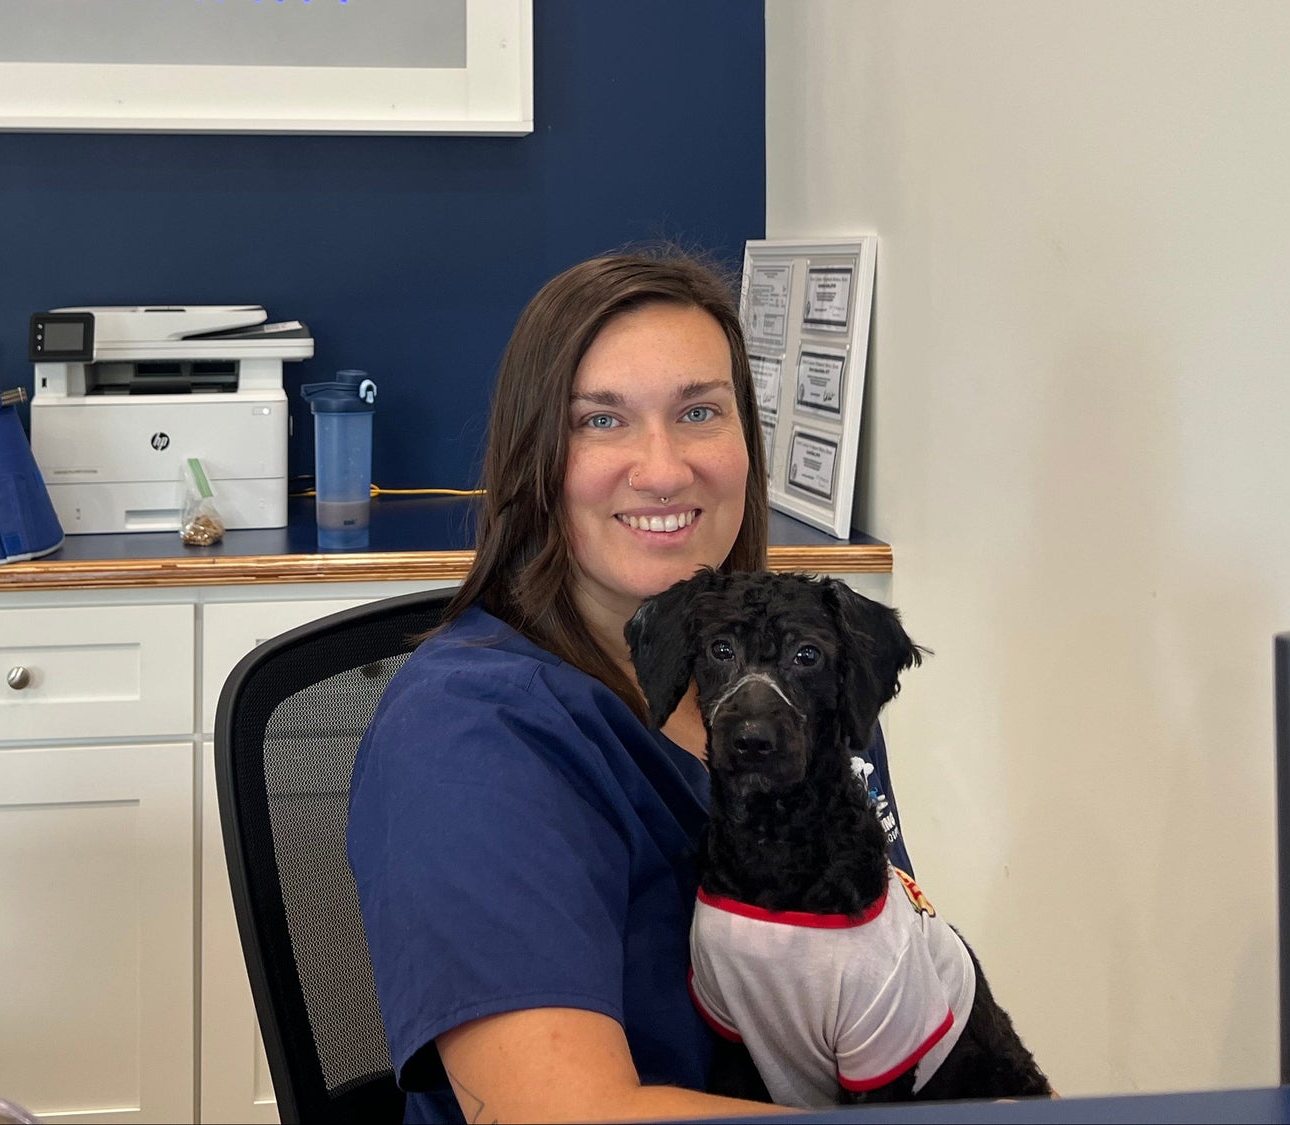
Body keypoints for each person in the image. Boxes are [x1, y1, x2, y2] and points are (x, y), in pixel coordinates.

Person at [347, 249, 912, 1123]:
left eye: (699, 411)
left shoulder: (810, 672)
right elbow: (562, 1115)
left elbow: (891, 979)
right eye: (602, 421)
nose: (663, 469)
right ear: (536, 456)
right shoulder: (469, 735)